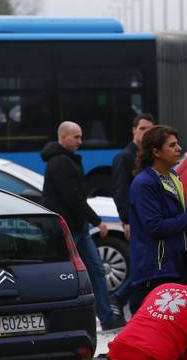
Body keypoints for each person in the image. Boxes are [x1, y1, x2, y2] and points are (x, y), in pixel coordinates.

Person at [41, 121, 126, 330]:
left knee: (96, 270)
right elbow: (73, 198)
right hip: (67, 229)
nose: (80, 141)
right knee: (64, 276)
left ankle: (106, 317)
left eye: (80, 136)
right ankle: (60, 321)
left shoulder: (68, 160)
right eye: (76, 137)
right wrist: (97, 220)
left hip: (78, 227)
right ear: (63, 138)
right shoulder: (60, 162)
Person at [127, 125, 187, 311]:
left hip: (175, 263)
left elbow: (178, 217)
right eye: (172, 145)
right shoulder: (144, 184)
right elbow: (155, 227)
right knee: (155, 326)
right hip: (155, 269)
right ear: (156, 152)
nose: (179, 149)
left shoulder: (173, 176)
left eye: (178, 144)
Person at [110, 113, 156, 315]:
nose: (146, 133)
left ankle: (125, 299)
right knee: (144, 263)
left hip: (145, 220)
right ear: (134, 130)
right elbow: (120, 191)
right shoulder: (125, 157)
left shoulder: (146, 156)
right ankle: (120, 298)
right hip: (135, 221)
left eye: (150, 130)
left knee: (146, 263)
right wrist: (126, 220)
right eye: (142, 129)